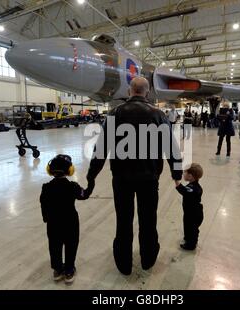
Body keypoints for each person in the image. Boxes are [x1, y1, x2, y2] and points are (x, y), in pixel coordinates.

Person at [86, 77, 182, 275]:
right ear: (147, 93)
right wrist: (177, 173)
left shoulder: (115, 113)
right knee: (148, 220)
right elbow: (171, 148)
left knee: (124, 220)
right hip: (149, 178)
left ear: (130, 91)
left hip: (122, 179)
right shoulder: (159, 115)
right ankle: (148, 260)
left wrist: (92, 176)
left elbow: (101, 149)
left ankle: (124, 263)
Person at [40, 154, 93, 283]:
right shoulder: (73, 187)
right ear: (70, 170)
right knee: (71, 244)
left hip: (53, 222)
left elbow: (43, 204)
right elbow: (84, 195)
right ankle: (69, 270)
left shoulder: (46, 187)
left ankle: (57, 270)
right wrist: (91, 183)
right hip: (71, 221)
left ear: (50, 170)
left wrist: (46, 218)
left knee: (54, 245)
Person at [175, 163, 204, 251]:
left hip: (194, 214)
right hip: (189, 212)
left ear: (190, 176)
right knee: (188, 226)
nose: (183, 174)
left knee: (192, 229)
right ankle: (188, 238)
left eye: (184, 172)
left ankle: (191, 245)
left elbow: (184, 191)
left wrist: (176, 180)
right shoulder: (193, 185)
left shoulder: (193, 188)